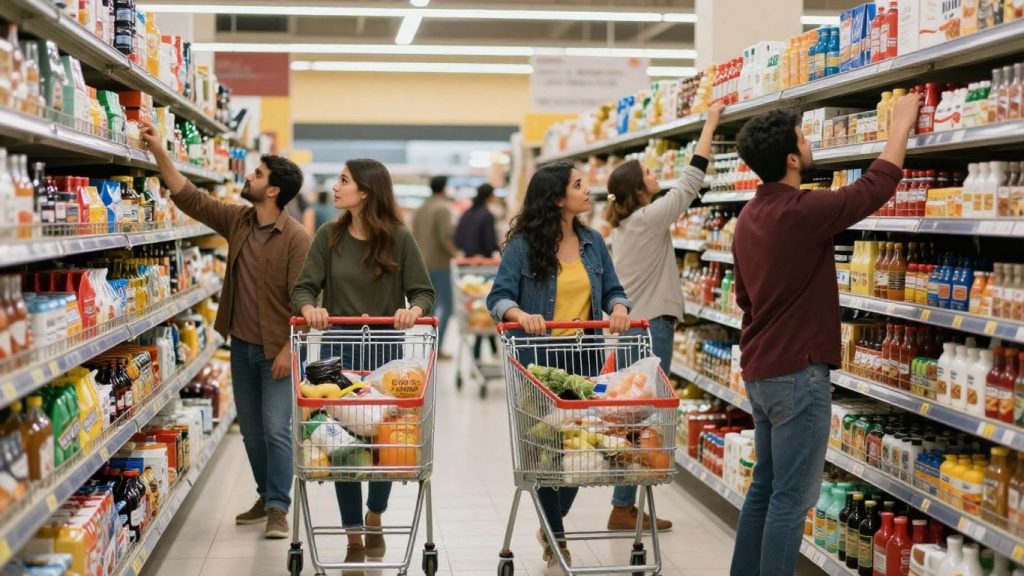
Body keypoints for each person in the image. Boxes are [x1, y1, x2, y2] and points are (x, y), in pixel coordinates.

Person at [728, 93, 922, 576]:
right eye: (803, 137)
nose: (810, 141)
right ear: (792, 159)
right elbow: (873, 188)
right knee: (791, 501)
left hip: (761, 370)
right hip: (797, 375)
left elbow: (746, 300)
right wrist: (900, 126)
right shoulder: (799, 211)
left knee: (765, 486)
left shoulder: (749, 216)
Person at [139, 121, 311, 540]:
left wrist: (291, 349)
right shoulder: (239, 220)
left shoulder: (296, 239)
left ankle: (278, 508)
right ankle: (265, 493)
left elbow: (304, 299)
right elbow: (190, 198)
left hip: (277, 350)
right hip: (241, 344)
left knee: (275, 428)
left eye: (257, 174)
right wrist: (161, 150)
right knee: (251, 430)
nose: (248, 177)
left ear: (273, 191)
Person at [486, 161, 631, 571]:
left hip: (584, 364)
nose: (588, 191)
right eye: (579, 185)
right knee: (546, 455)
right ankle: (557, 538)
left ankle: (552, 524)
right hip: (537, 363)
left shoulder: (593, 242)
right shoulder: (522, 246)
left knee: (581, 457)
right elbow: (497, 297)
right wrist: (518, 314)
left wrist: (618, 307)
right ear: (556, 198)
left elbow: (615, 290)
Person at [292, 159, 435, 567]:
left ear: (366, 191)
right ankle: (353, 535)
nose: (335, 188)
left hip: (386, 358)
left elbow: (423, 292)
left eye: (343, 181)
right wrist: (308, 307)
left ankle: (375, 514)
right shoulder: (328, 236)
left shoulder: (399, 239)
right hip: (339, 355)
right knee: (344, 446)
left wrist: (413, 310)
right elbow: (304, 287)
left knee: (384, 445)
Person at [604, 101, 725, 533]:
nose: (657, 175)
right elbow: (690, 182)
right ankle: (623, 505)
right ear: (638, 188)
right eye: (649, 173)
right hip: (650, 329)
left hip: (636, 330)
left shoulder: (629, 224)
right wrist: (710, 124)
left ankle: (623, 504)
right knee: (644, 419)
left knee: (635, 418)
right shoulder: (646, 219)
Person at [454, 183, 500, 359]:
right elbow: (489, 242)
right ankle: (485, 349)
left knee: (475, 305)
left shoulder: (466, 214)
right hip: (485, 265)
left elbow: (458, 239)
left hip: (467, 267)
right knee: (485, 304)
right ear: (489, 196)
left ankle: (480, 349)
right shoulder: (487, 215)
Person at [412, 176, 456, 359]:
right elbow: (445, 236)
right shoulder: (443, 208)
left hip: (422, 263)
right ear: (444, 188)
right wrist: (457, 254)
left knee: (429, 307)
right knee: (447, 306)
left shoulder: (421, 208)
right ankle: (436, 348)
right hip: (439, 263)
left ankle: (427, 348)